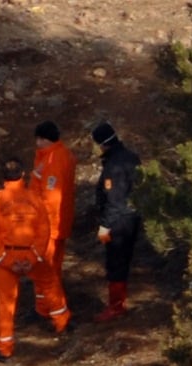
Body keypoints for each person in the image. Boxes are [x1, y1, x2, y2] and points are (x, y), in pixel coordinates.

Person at [0, 154, 67, 358]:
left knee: (5, 302)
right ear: (22, 174)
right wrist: (34, 256)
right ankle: (62, 324)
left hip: (7, 259)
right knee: (49, 283)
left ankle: (4, 348)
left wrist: (5, 260)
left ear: (3, 176)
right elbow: (44, 229)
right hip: (32, 255)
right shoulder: (34, 198)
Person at [89, 120, 140, 324]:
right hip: (133, 218)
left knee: (115, 263)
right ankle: (118, 303)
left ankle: (116, 306)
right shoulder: (131, 157)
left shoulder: (113, 166)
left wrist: (105, 226)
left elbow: (114, 200)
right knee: (124, 261)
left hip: (119, 221)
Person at [28, 119, 77, 281]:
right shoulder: (62, 154)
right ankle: (53, 301)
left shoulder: (52, 160)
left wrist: (40, 222)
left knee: (46, 267)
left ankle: (47, 304)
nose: (37, 143)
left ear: (44, 139)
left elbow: (51, 196)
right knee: (54, 264)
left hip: (50, 223)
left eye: (39, 139)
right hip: (59, 219)